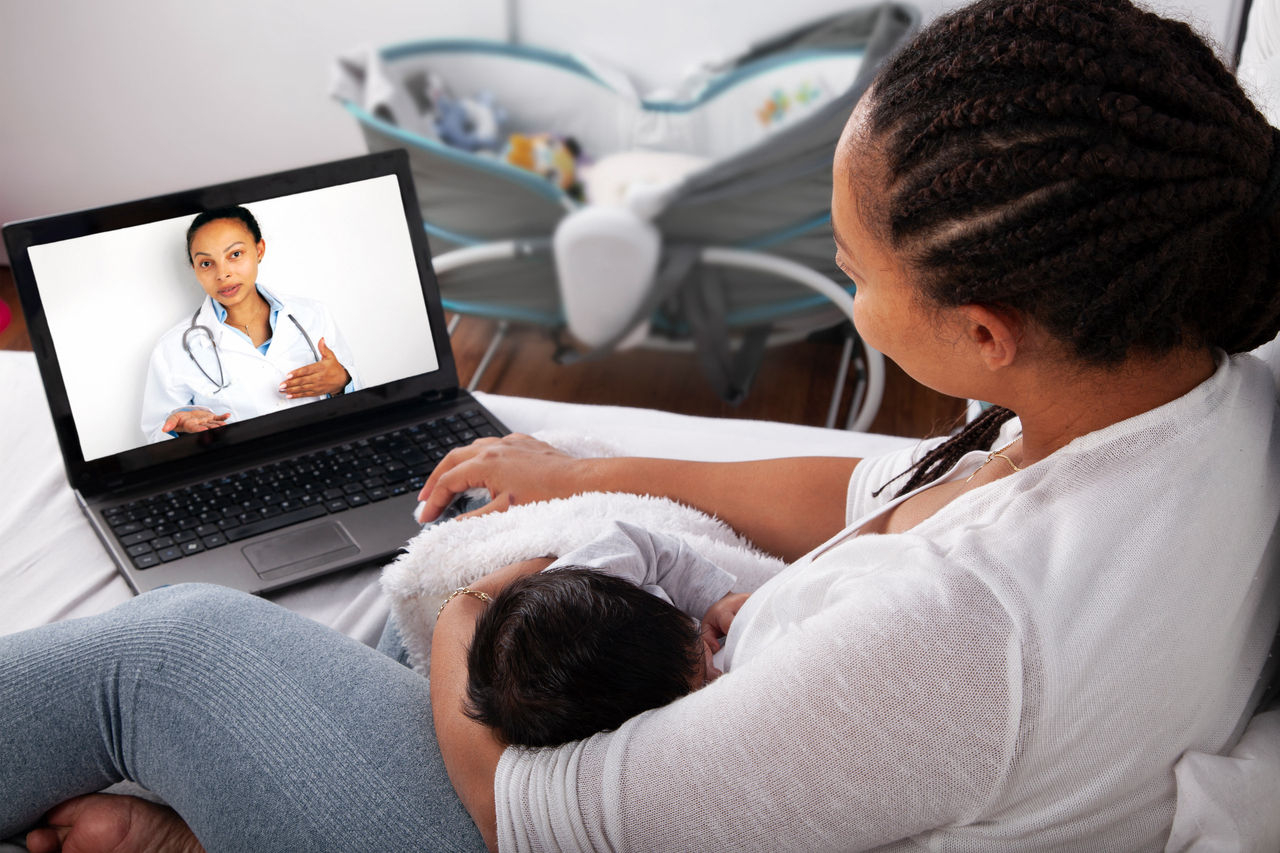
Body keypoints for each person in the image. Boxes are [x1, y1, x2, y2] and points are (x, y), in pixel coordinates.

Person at [3, 0, 1279, 850]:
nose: (845, 293)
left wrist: (474, 609)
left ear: (986, 332)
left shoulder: (957, 638)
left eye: (852, 269)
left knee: (174, 650)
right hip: (771, 715)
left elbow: (530, 809)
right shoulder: (1194, 398)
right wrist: (581, 471)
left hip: (545, 819)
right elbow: (880, 495)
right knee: (454, 580)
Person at [464, 522, 738, 747]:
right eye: (701, 682)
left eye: (692, 637)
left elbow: (650, 547)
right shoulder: (589, 722)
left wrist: (715, 598)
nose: (708, 656)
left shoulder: (599, 572)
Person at [139, 206, 360, 443]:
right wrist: (180, 431)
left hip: (325, 448)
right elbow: (157, 435)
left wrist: (342, 382)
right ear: (194, 268)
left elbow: (362, 404)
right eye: (206, 263)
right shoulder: (173, 348)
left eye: (235, 254)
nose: (222, 274)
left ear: (259, 250)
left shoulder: (312, 315)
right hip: (246, 461)